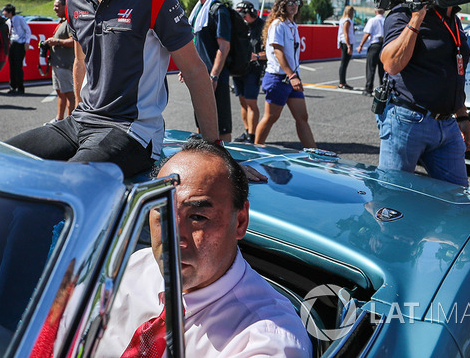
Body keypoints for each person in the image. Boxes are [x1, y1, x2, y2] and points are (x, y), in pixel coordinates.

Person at [7, 0, 218, 177]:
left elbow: (195, 71)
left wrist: (216, 153)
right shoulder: (74, 1)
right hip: (80, 122)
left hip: (133, 132)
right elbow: (80, 63)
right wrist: (79, 119)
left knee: (67, 182)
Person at [95, 137, 312, 357]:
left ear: (240, 222)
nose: (173, 237)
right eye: (162, 210)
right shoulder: (132, 268)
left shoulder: (265, 341)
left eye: (197, 217)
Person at [377, 0, 470, 186]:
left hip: (447, 124)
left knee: (457, 200)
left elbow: (452, 72)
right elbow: (391, 64)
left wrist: (462, 116)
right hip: (407, 121)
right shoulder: (403, 13)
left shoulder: (453, 19)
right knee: (393, 198)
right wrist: (417, 16)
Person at [254, 0, 316, 148]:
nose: (294, 6)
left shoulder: (292, 25)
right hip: (279, 78)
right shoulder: (278, 25)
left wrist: (294, 76)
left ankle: (314, 154)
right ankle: (255, 150)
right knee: (270, 118)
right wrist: (292, 75)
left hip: (291, 77)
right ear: (283, 4)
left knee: (302, 117)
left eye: (297, 2)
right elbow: (278, 51)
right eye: (290, 2)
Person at [187, 0, 233, 142]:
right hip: (200, 77)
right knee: (202, 125)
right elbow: (196, 44)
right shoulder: (198, 9)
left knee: (221, 128)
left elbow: (224, 46)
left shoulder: (218, 10)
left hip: (215, 79)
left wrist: (213, 76)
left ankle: (227, 167)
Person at [232, 1, 266, 144]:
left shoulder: (264, 27)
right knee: (242, 101)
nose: (242, 18)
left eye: (243, 15)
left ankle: (252, 136)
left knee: (251, 102)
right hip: (238, 69)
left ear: (251, 13)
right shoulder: (239, 25)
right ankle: (247, 131)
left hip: (254, 69)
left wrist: (256, 56)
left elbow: (272, 52)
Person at [42, 0, 75, 122]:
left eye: (57, 6)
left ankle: (69, 122)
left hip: (65, 64)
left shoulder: (70, 22)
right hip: (57, 64)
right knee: (60, 93)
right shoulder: (62, 22)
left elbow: (74, 41)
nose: (54, 8)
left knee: (69, 94)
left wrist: (57, 41)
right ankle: (59, 119)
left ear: (65, 7)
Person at [2, 4, 31, 95]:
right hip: (12, 44)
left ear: (10, 12)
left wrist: (27, 42)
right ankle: (12, 86)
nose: (3, 13)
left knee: (18, 66)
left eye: (5, 11)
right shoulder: (8, 21)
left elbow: (27, 30)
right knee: (12, 66)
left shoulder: (19, 19)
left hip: (20, 43)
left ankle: (20, 87)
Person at [357, 8, 385, 96]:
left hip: (374, 45)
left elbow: (367, 33)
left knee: (371, 68)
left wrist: (361, 45)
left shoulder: (372, 20)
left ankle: (369, 89)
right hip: (383, 45)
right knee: (382, 70)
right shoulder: (386, 20)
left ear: (375, 11)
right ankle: (383, 89)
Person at [337, 5, 355, 90]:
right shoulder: (347, 21)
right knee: (344, 63)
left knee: (344, 64)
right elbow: (346, 33)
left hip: (345, 42)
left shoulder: (343, 20)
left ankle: (343, 82)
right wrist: (348, 46)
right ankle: (342, 82)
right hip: (346, 43)